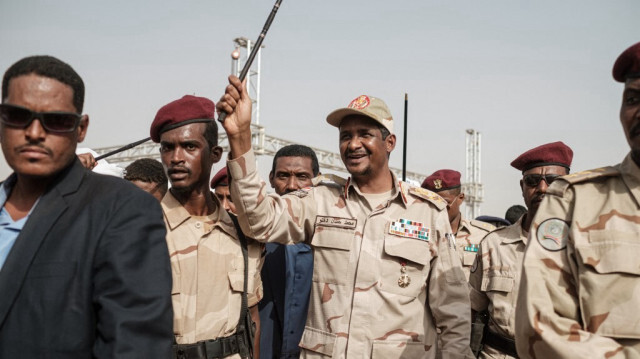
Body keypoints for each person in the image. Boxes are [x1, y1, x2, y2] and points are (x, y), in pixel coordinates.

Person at [218, 79, 474, 359]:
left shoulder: (427, 212)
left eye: (364, 134)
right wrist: (241, 136)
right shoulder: (320, 201)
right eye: (345, 136)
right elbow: (258, 220)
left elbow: (453, 310)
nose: (353, 144)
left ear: (389, 142)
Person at [0, 55, 173, 357]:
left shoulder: (123, 211)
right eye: (18, 116)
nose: (35, 133)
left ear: (81, 129)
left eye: (56, 121)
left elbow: (135, 347)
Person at [515, 42, 640, 358]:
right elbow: (542, 322)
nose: (542, 188)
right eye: (633, 99)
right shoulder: (575, 202)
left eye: (550, 179)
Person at [151, 94, 262, 359]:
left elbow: (252, 321)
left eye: (189, 147)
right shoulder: (144, 231)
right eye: (168, 148)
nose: (176, 158)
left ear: (214, 154)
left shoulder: (244, 234)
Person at [468, 141, 573, 359]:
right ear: (522, 187)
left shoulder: (584, 246)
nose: (542, 188)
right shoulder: (494, 245)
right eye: (533, 181)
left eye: (553, 181)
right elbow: (469, 310)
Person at [260, 144, 318, 359]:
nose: (292, 186)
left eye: (302, 176)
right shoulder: (256, 237)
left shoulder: (330, 238)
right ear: (272, 179)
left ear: (316, 180)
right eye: (283, 176)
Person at [421, 169, 495, 280]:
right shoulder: (420, 235)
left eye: (444, 203)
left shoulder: (483, 236)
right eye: (431, 204)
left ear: (460, 198)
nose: (438, 209)